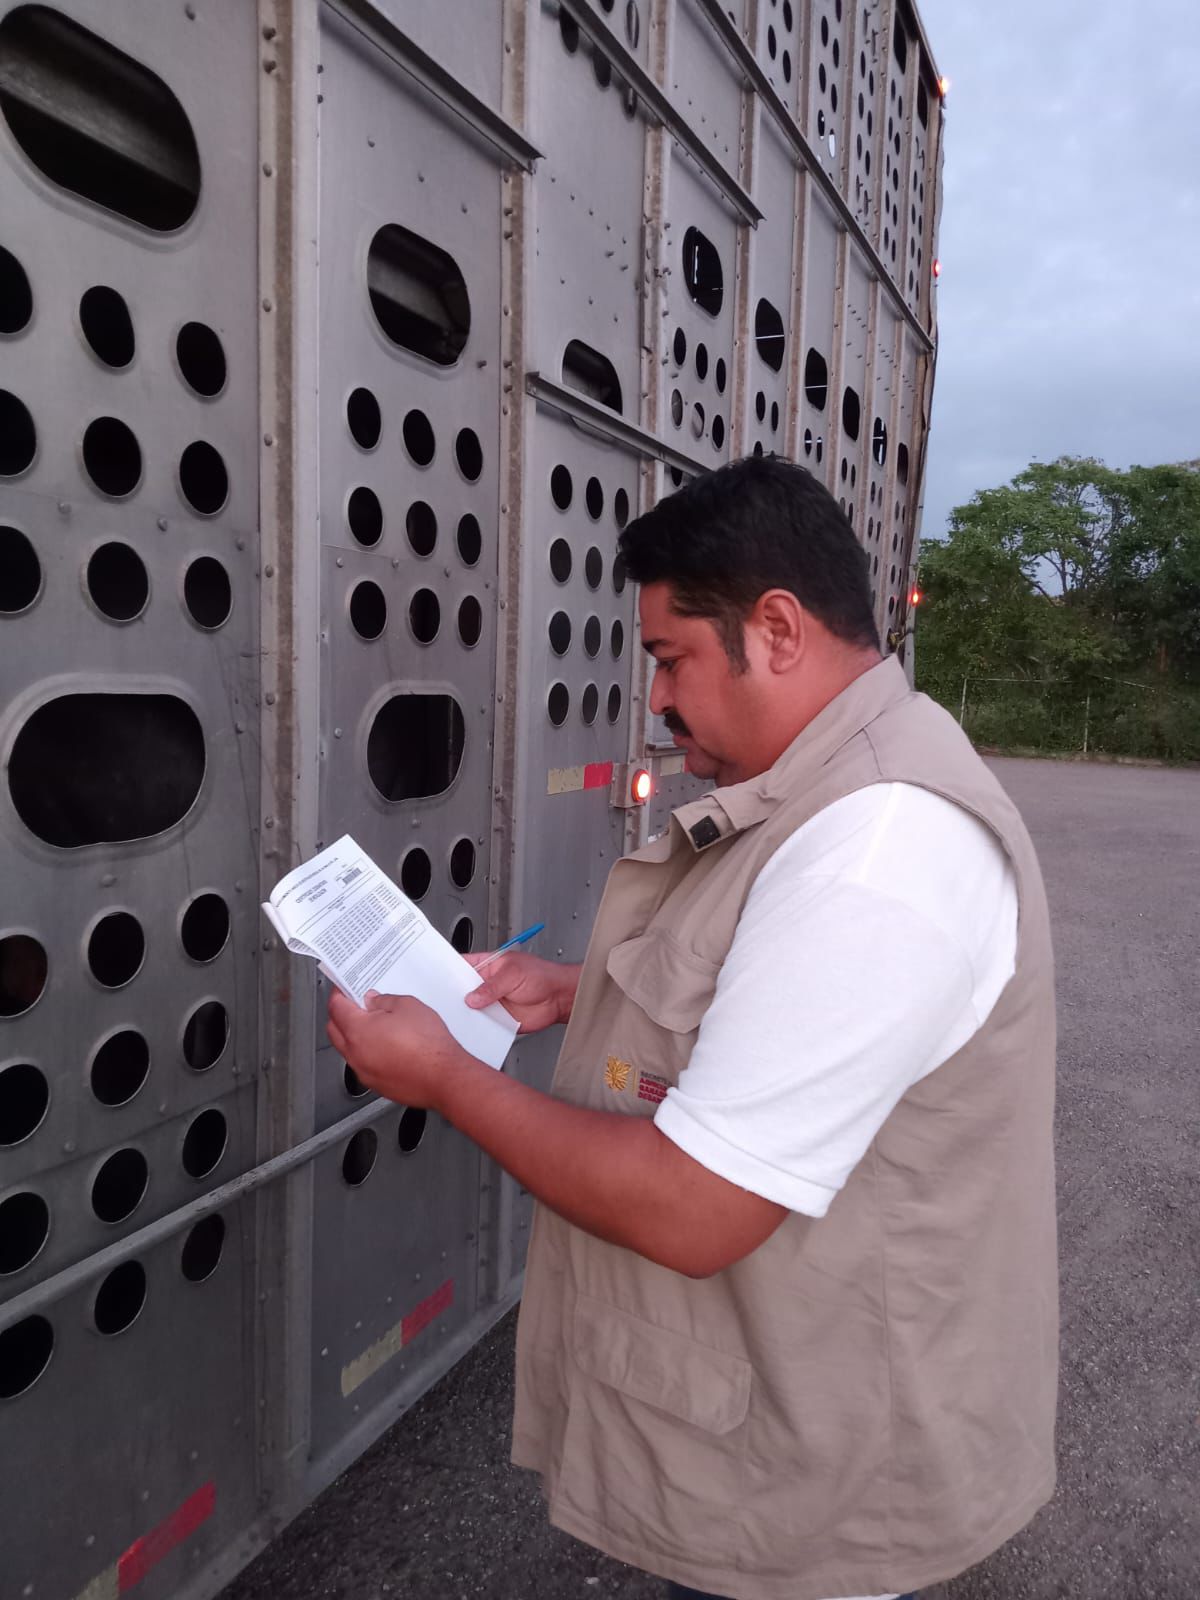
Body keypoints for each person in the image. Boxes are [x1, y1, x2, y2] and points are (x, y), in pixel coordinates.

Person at [328, 456, 1058, 1600]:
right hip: (795, 1416)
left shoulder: (877, 850)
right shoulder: (839, 790)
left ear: (775, 628)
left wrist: (446, 1079)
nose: (656, 700)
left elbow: (692, 1207)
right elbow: (768, 984)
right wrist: (575, 987)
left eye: (669, 658)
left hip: (819, 1489)